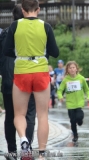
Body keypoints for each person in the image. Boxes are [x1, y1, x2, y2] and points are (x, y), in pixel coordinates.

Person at [2, 0, 59, 158]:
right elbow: (55, 52)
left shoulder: (15, 26)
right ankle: (41, 153)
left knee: (19, 114)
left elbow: (7, 50)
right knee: (42, 115)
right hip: (40, 70)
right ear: (38, 9)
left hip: (21, 71)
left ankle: (23, 139)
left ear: (23, 9)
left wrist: (21, 54)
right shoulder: (45, 26)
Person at [0, 4, 36, 160]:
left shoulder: (4, 35)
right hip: (28, 79)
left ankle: (12, 150)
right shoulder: (33, 33)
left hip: (9, 80)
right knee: (29, 114)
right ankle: (26, 147)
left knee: (10, 115)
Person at [57, 61, 89, 142]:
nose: (72, 69)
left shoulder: (81, 79)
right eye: (70, 68)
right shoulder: (65, 80)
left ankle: (80, 121)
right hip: (70, 104)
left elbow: (87, 90)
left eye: (73, 68)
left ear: (76, 69)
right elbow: (59, 90)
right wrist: (60, 97)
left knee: (79, 117)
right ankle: (75, 135)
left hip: (79, 103)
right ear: (67, 70)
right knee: (72, 121)